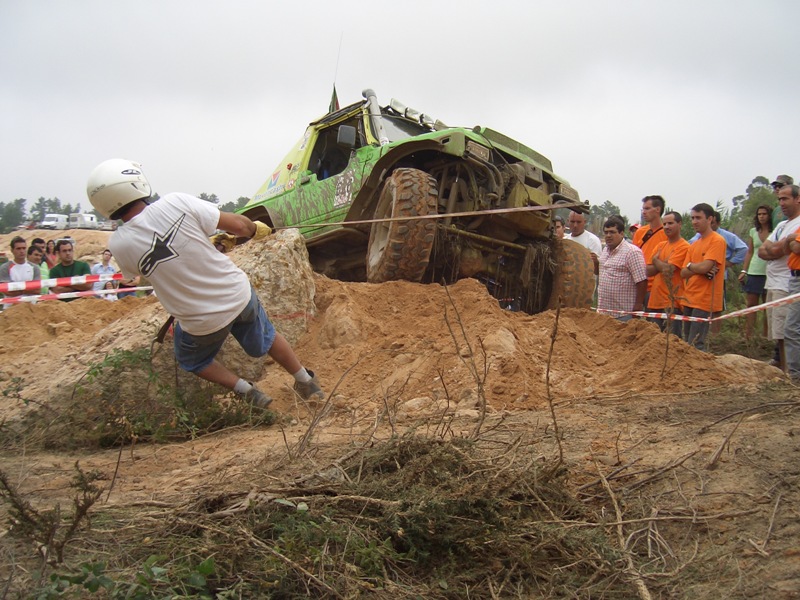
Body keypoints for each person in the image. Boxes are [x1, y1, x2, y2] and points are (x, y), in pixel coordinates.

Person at [86, 158, 324, 409]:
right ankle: (305, 380)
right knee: (267, 337)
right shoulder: (175, 202)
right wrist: (256, 229)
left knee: (192, 359)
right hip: (237, 294)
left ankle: (247, 392)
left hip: (200, 321)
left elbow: (149, 269)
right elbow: (240, 226)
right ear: (135, 182)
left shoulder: (119, 244)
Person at [758, 184, 800, 371]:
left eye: (785, 199)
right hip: (774, 280)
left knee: (787, 330)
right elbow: (763, 250)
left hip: (786, 281)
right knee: (778, 331)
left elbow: (775, 249)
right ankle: (786, 368)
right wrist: (780, 247)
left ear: (797, 199)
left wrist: (777, 249)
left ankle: (790, 371)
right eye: (779, 199)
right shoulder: (782, 225)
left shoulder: (798, 224)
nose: (781, 203)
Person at [680, 203, 727, 351]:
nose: (694, 221)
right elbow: (683, 272)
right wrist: (697, 267)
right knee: (686, 340)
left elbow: (706, 267)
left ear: (710, 219)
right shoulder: (694, 244)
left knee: (696, 343)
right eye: (692, 218)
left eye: (698, 218)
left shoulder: (717, 240)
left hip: (705, 299)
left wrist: (692, 266)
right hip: (689, 297)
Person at [646, 211, 690, 335]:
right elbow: (648, 271)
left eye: (670, 223)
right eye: (664, 224)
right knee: (654, 341)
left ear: (680, 224)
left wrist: (656, 260)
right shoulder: (661, 245)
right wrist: (662, 264)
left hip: (672, 302)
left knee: (672, 341)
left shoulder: (684, 246)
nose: (666, 227)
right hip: (655, 301)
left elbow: (668, 271)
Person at [597, 216, 647, 322]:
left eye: (612, 232)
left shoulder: (632, 252)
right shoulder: (605, 250)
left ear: (622, 233)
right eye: (606, 233)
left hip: (623, 314)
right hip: (604, 314)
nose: (608, 236)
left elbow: (642, 281)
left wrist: (638, 305)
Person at [738, 205, 773, 337]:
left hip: (769, 272)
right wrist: (744, 270)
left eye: (764, 214)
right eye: (759, 214)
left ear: (769, 215)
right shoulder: (753, 231)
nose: (762, 216)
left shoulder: (775, 230)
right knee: (751, 304)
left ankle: (766, 335)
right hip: (754, 271)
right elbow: (750, 251)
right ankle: (748, 335)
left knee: (767, 305)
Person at [632, 195, 668, 308]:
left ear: (658, 209)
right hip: (638, 284)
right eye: (643, 209)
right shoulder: (640, 232)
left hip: (655, 287)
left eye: (647, 208)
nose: (644, 212)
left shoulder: (666, 234)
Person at [0, 237, 41, 307]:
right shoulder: (5, 267)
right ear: (12, 250)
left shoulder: (35, 268)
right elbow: (7, 291)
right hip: (11, 308)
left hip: (31, 307)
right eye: (18, 249)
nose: (21, 251)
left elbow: (37, 290)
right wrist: (28, 288)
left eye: (23, 248)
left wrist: (17, 289)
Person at [783, 230, 800, 382]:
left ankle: (795, 375)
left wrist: (791, 239)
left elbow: (796, 248)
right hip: (794, 277)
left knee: (791, 328)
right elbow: (786, 248)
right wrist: (791, 238)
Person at [568, 210, 602, 275]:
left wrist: (596, 262)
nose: (575, 225)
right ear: (568, 221)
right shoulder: (565, 239)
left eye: (578, 222)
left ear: (584, 222)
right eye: (572, 221)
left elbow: (598, 271)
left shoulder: (593, 240)